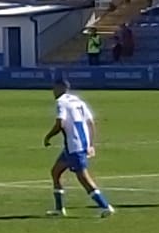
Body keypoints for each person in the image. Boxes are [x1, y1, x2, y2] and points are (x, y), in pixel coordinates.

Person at [43, 79, 114, 218]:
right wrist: (90, 144)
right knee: (55, 172)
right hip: (78, 144)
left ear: (60, 88)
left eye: (54, 89)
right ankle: (59, 209)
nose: (53, 92)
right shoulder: (78, 101)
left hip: (74, 146)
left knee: (83, 177)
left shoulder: (61, 102)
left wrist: (48, 137)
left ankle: (105, 206)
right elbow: (90, 122)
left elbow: (60, 123)